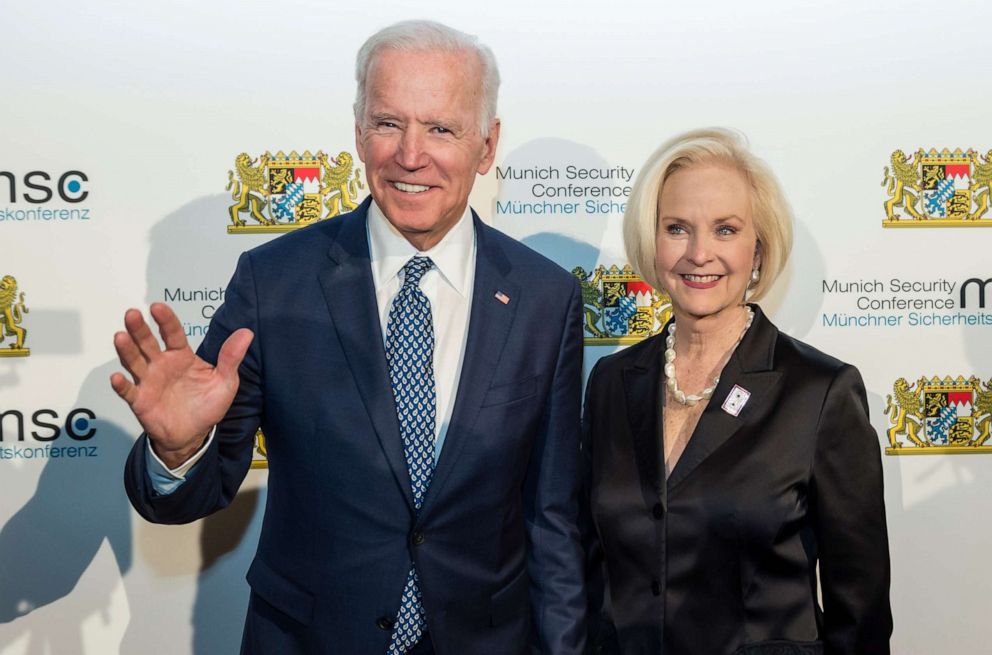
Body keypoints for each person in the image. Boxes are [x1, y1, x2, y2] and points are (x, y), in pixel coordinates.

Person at [113, 20, 586, 655]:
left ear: (487, 143)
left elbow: (551, 521)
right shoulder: (273, 282)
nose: (410, 155)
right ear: (359, 131)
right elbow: (194, 492)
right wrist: (178, 450)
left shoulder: (545, 298)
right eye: (389, 123)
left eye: (441, 128)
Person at [581, 128, 891, 654]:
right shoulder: (612, 383)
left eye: (725, 230)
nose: (700, 253)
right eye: (677, 228)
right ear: (651, 242)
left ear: (759, 246)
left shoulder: (819, 392)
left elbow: (858, 611)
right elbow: (590, 567)